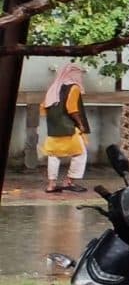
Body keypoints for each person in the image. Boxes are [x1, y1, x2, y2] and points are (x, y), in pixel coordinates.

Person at [39, 64, 89, 192]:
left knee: (53, 155)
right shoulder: (74, 88)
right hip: (69, 128)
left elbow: (43, 108)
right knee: (81, 153)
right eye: (78, 73)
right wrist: (81, 124)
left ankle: (51, 185)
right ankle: (69, 182)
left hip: (54, 128)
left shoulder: (54, 87)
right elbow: (72, 109)